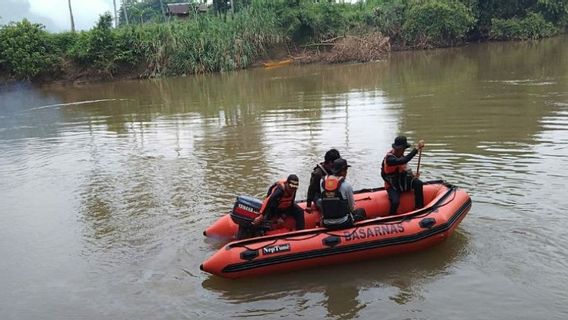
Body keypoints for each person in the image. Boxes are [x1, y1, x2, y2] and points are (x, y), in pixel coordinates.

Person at [381, 136, 425, 215]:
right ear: (399, 148)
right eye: (404, 149)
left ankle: (419, 208)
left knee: (418, 183)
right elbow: (404, 160)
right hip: (392, 186)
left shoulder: (400, 155)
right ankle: (391, 216)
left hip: (402, 182)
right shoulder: (390, 159)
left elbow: (404, 168)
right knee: (395, 201)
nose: (404, 151)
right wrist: (416, 149)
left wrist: (412, 175)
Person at [320, 158, 366, 229]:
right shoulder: (346, 185)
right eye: (346, 170)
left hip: (326, 223)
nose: (347, 172)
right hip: (343, 222)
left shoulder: (322, 183)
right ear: (342, 171)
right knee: (361, 211)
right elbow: (352, 207)